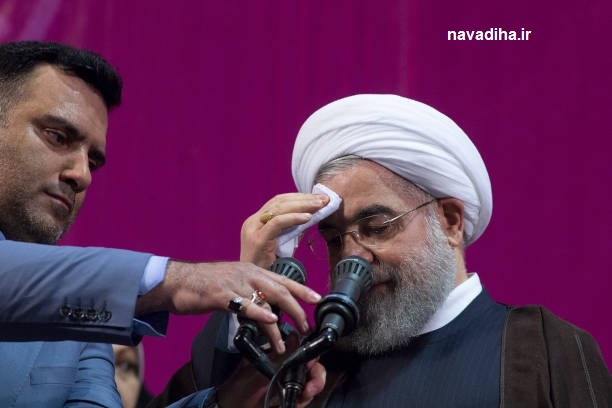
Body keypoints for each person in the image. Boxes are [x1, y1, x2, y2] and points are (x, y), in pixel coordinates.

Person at [153, 94, 612, 407]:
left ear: (450, 221)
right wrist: (248, 294)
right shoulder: (311, 364)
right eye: (334, 239)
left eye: (376, 227)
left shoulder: (541, 347)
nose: (353, 257)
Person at [0, 40, 323, 407]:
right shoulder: (88, 301)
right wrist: (182, 279)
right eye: (57, 137)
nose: (82, 174)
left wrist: (230, 400)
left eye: (93, 161)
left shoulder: (81, 330)